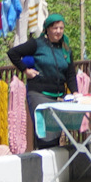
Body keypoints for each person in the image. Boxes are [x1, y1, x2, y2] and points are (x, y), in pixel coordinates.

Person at [6, 14, 76, 149]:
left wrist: (75, 92)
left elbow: (70, 74)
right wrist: (25, 70)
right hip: (39, 93)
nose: (58, 31)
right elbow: (13, 53)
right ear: (47, 29)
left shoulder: (65, 49)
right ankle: (44, 164)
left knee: (56, 133)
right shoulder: (37, 44)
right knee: (45, 133)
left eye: (61, 28)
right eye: (55, 28)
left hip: (58, 96)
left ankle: (53, 164)